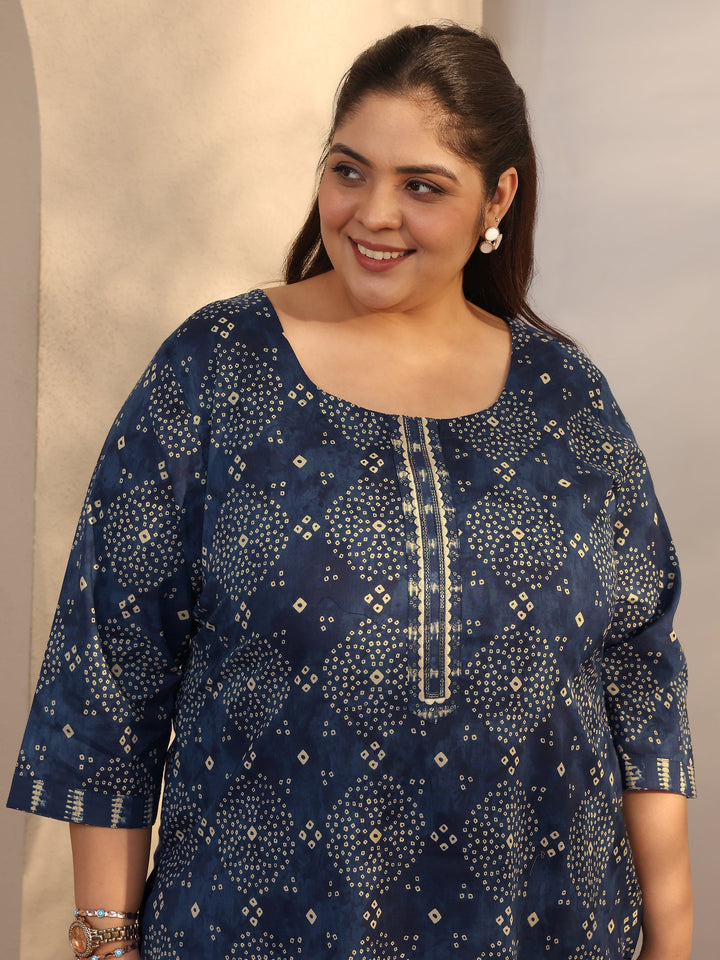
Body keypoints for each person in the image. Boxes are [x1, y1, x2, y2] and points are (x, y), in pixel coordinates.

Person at [8, 22, 694, 960]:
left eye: (422, 186)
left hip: (549, 928)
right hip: (255, 933)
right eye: (349, 171)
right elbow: (111, 674)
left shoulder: (566, 398)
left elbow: (641, 680)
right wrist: (103, 940)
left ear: (497, 197)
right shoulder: (215, 370)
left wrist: (672, 939)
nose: (373, 214)